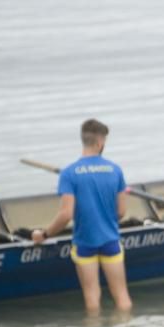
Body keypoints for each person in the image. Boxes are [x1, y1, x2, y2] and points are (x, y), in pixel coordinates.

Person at [32, 119, 132, 314]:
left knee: (92, 299)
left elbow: (66, 214)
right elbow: (121, 212)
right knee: (122, 297)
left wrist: (44, 235)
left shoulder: (69, 173)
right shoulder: (115, 170)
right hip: (110, 241)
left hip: (85, 242)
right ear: (100, 142)